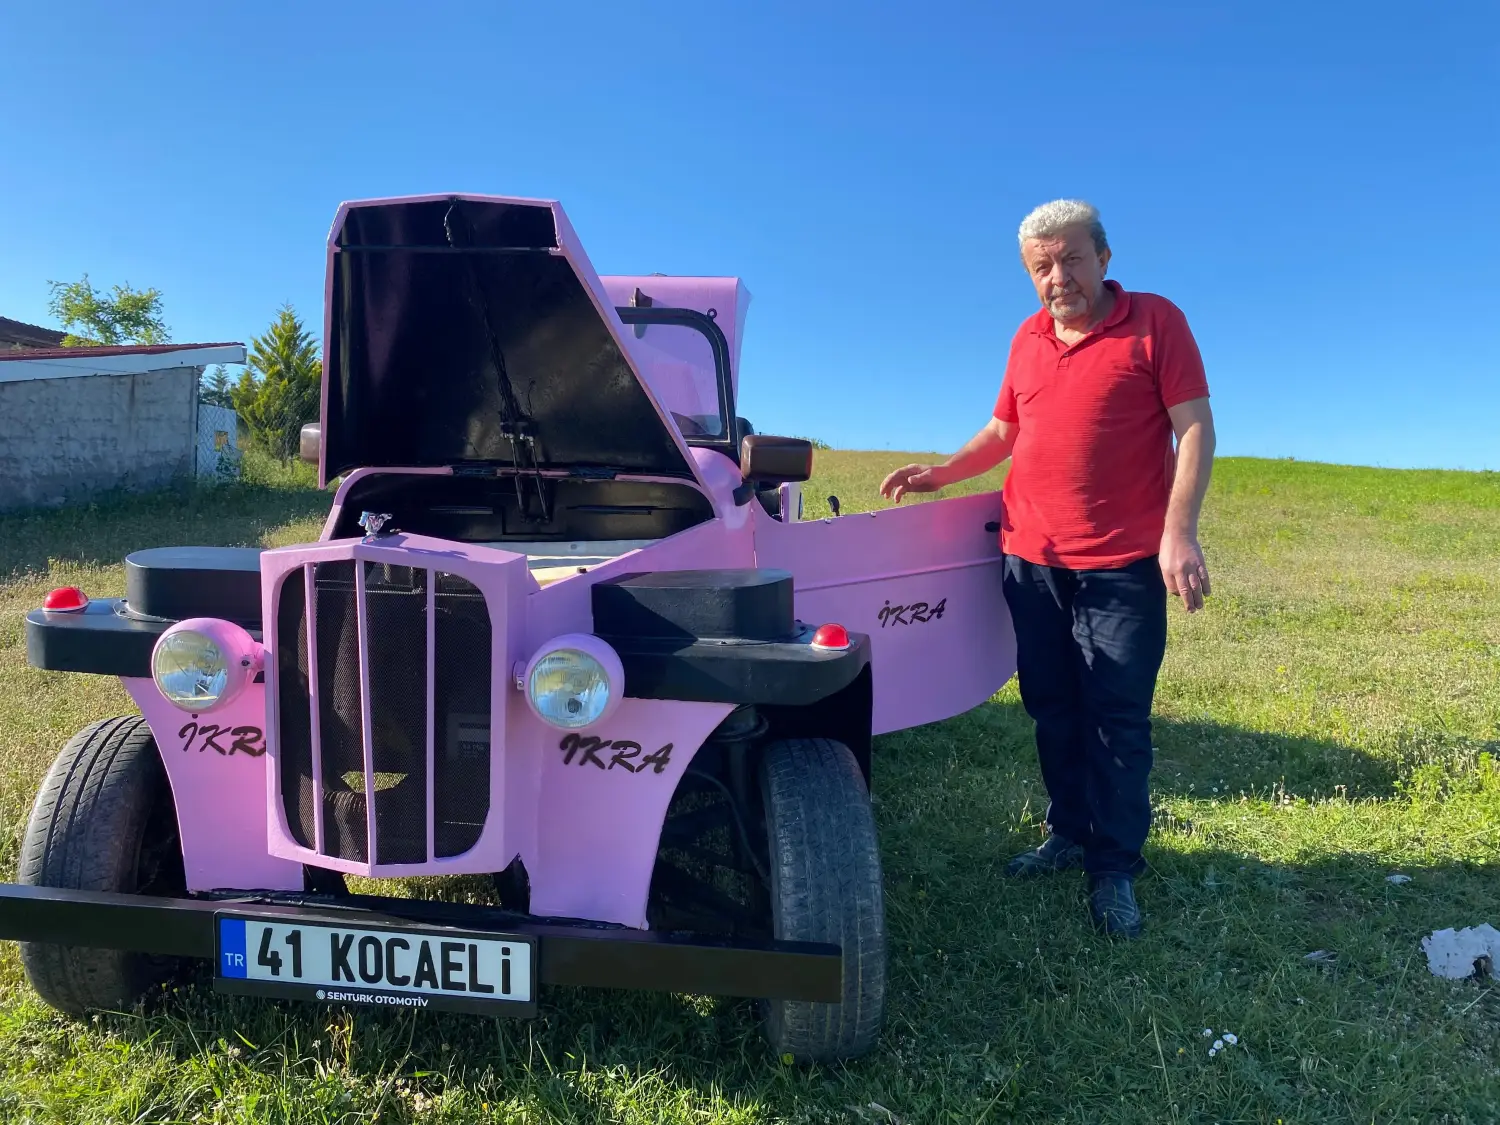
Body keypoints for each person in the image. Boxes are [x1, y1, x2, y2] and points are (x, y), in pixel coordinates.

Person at [878, 199, 1215, 939]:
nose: (1057, 277)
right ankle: (1067, 832)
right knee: (1052, 705)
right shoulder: (1027, 337)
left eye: (1070, 259)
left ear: (1104, 258)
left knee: (1115, 715)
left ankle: (1114, 866)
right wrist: (939, 474)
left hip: (1122, 563)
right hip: (1030, 558)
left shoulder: (1156, 322)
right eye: (1041, 266)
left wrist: (1179, 532)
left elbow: (1194, 429)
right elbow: (1004, 429)